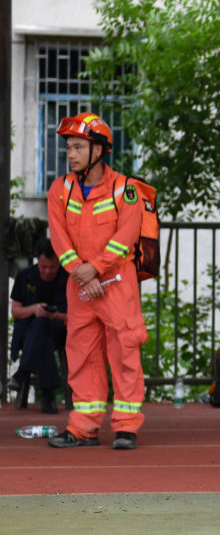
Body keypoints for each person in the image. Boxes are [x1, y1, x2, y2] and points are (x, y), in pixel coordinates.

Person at [45, 112, 148, 450]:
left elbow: (126, 237)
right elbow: (59, 237)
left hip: (118, 283)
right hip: (80, 286)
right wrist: (80, 271)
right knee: (82, 354)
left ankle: (126, 427)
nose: (70, 154)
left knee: (124, 353)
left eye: (77, 147)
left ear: (99, 150)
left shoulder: (126, 189)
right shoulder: (60, 190)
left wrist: (96, 269)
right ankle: (83, 426)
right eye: (68, 148)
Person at [8, 239, 69, 414]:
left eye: (52, 267)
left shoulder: (67, 278)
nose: (48, 271)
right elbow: (16, 311)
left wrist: (55, 315)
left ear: (59, 263)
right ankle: (48, 397)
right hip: (29, 332)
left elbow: (75, 317)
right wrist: (34, 310)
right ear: (37, 261)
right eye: (43, 267)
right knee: (42, 334)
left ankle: (22, 372)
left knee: (42, 327)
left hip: (59, 330)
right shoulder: (25, 275)